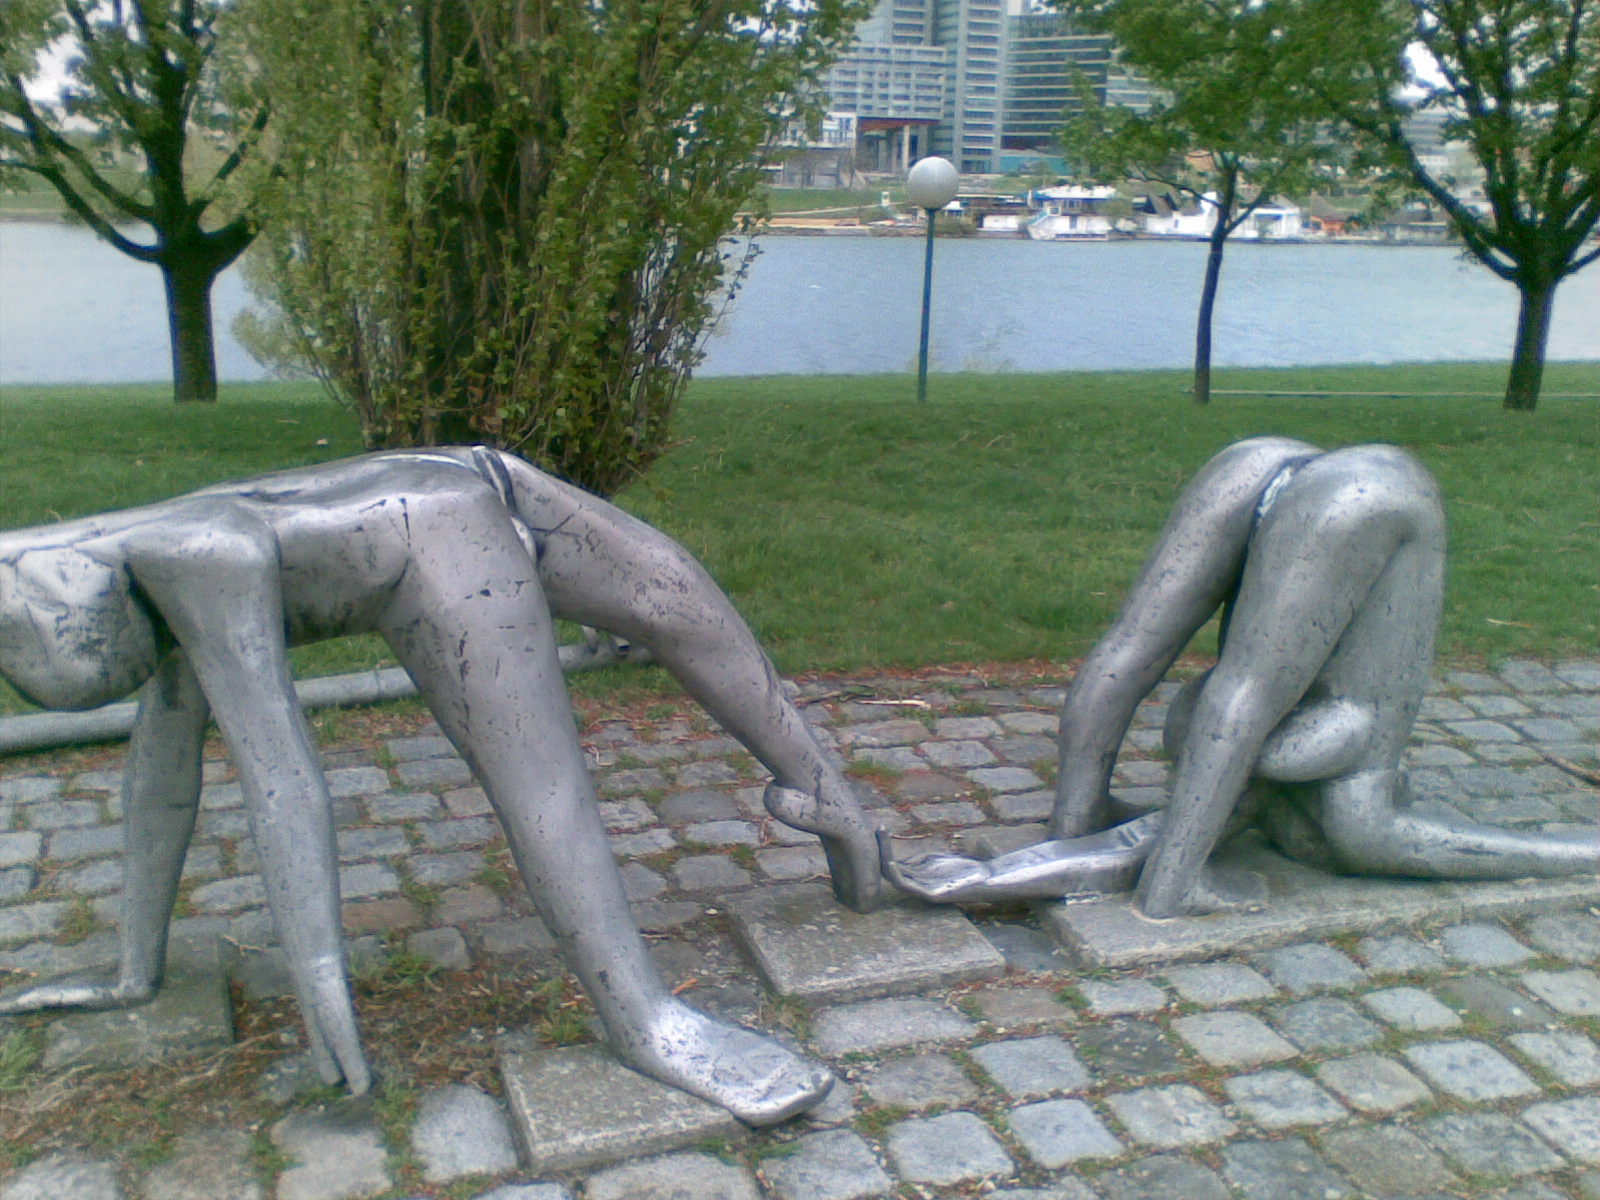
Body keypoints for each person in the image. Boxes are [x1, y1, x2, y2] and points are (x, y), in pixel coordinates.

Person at [0, 446, 884, 1125]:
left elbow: (282, 779)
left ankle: (651, 1015)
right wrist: (132, 972)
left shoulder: (195, 555)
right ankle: (841, 825)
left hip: (444, 531)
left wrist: (323, 994)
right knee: (665, 588)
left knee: (555, 758)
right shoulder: (128, 563)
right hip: (451, 478)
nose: (131, 683)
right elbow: (162, 767)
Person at [884, 437, 1599, 918]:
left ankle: (1078, 819)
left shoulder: (1287, 772)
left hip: (1265, 461)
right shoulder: (1355, 769)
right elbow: (1364, 821)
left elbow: (1215, 753)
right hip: (1370, 498)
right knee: (1253, 704)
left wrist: (997, 876)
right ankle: (1174, 886)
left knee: (1136, 643)